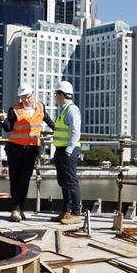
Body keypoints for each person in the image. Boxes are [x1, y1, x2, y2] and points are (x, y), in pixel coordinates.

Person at [1, 84, 46, 221]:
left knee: (25, 180)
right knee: (15, 179)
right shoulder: (15, 110)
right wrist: (3, 119)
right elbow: (8, 128)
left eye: (27, 97)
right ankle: (15, 209)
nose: (25, 100)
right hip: (15, 149)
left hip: (31, 150)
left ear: (32, 94)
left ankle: (20, 208)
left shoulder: (40, 107)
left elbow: (48, 121)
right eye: (23, 97)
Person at [51, 80, 83, 224]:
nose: (55, 97)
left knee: (71, 181)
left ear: (61, 94)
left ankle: (76, 213)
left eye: (56, 94)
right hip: (61, 149)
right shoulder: (63, 109)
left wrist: (69, 150)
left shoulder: (71, 109)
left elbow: (76, 131)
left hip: (68, 150)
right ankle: (67, 211)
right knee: (63, 182)